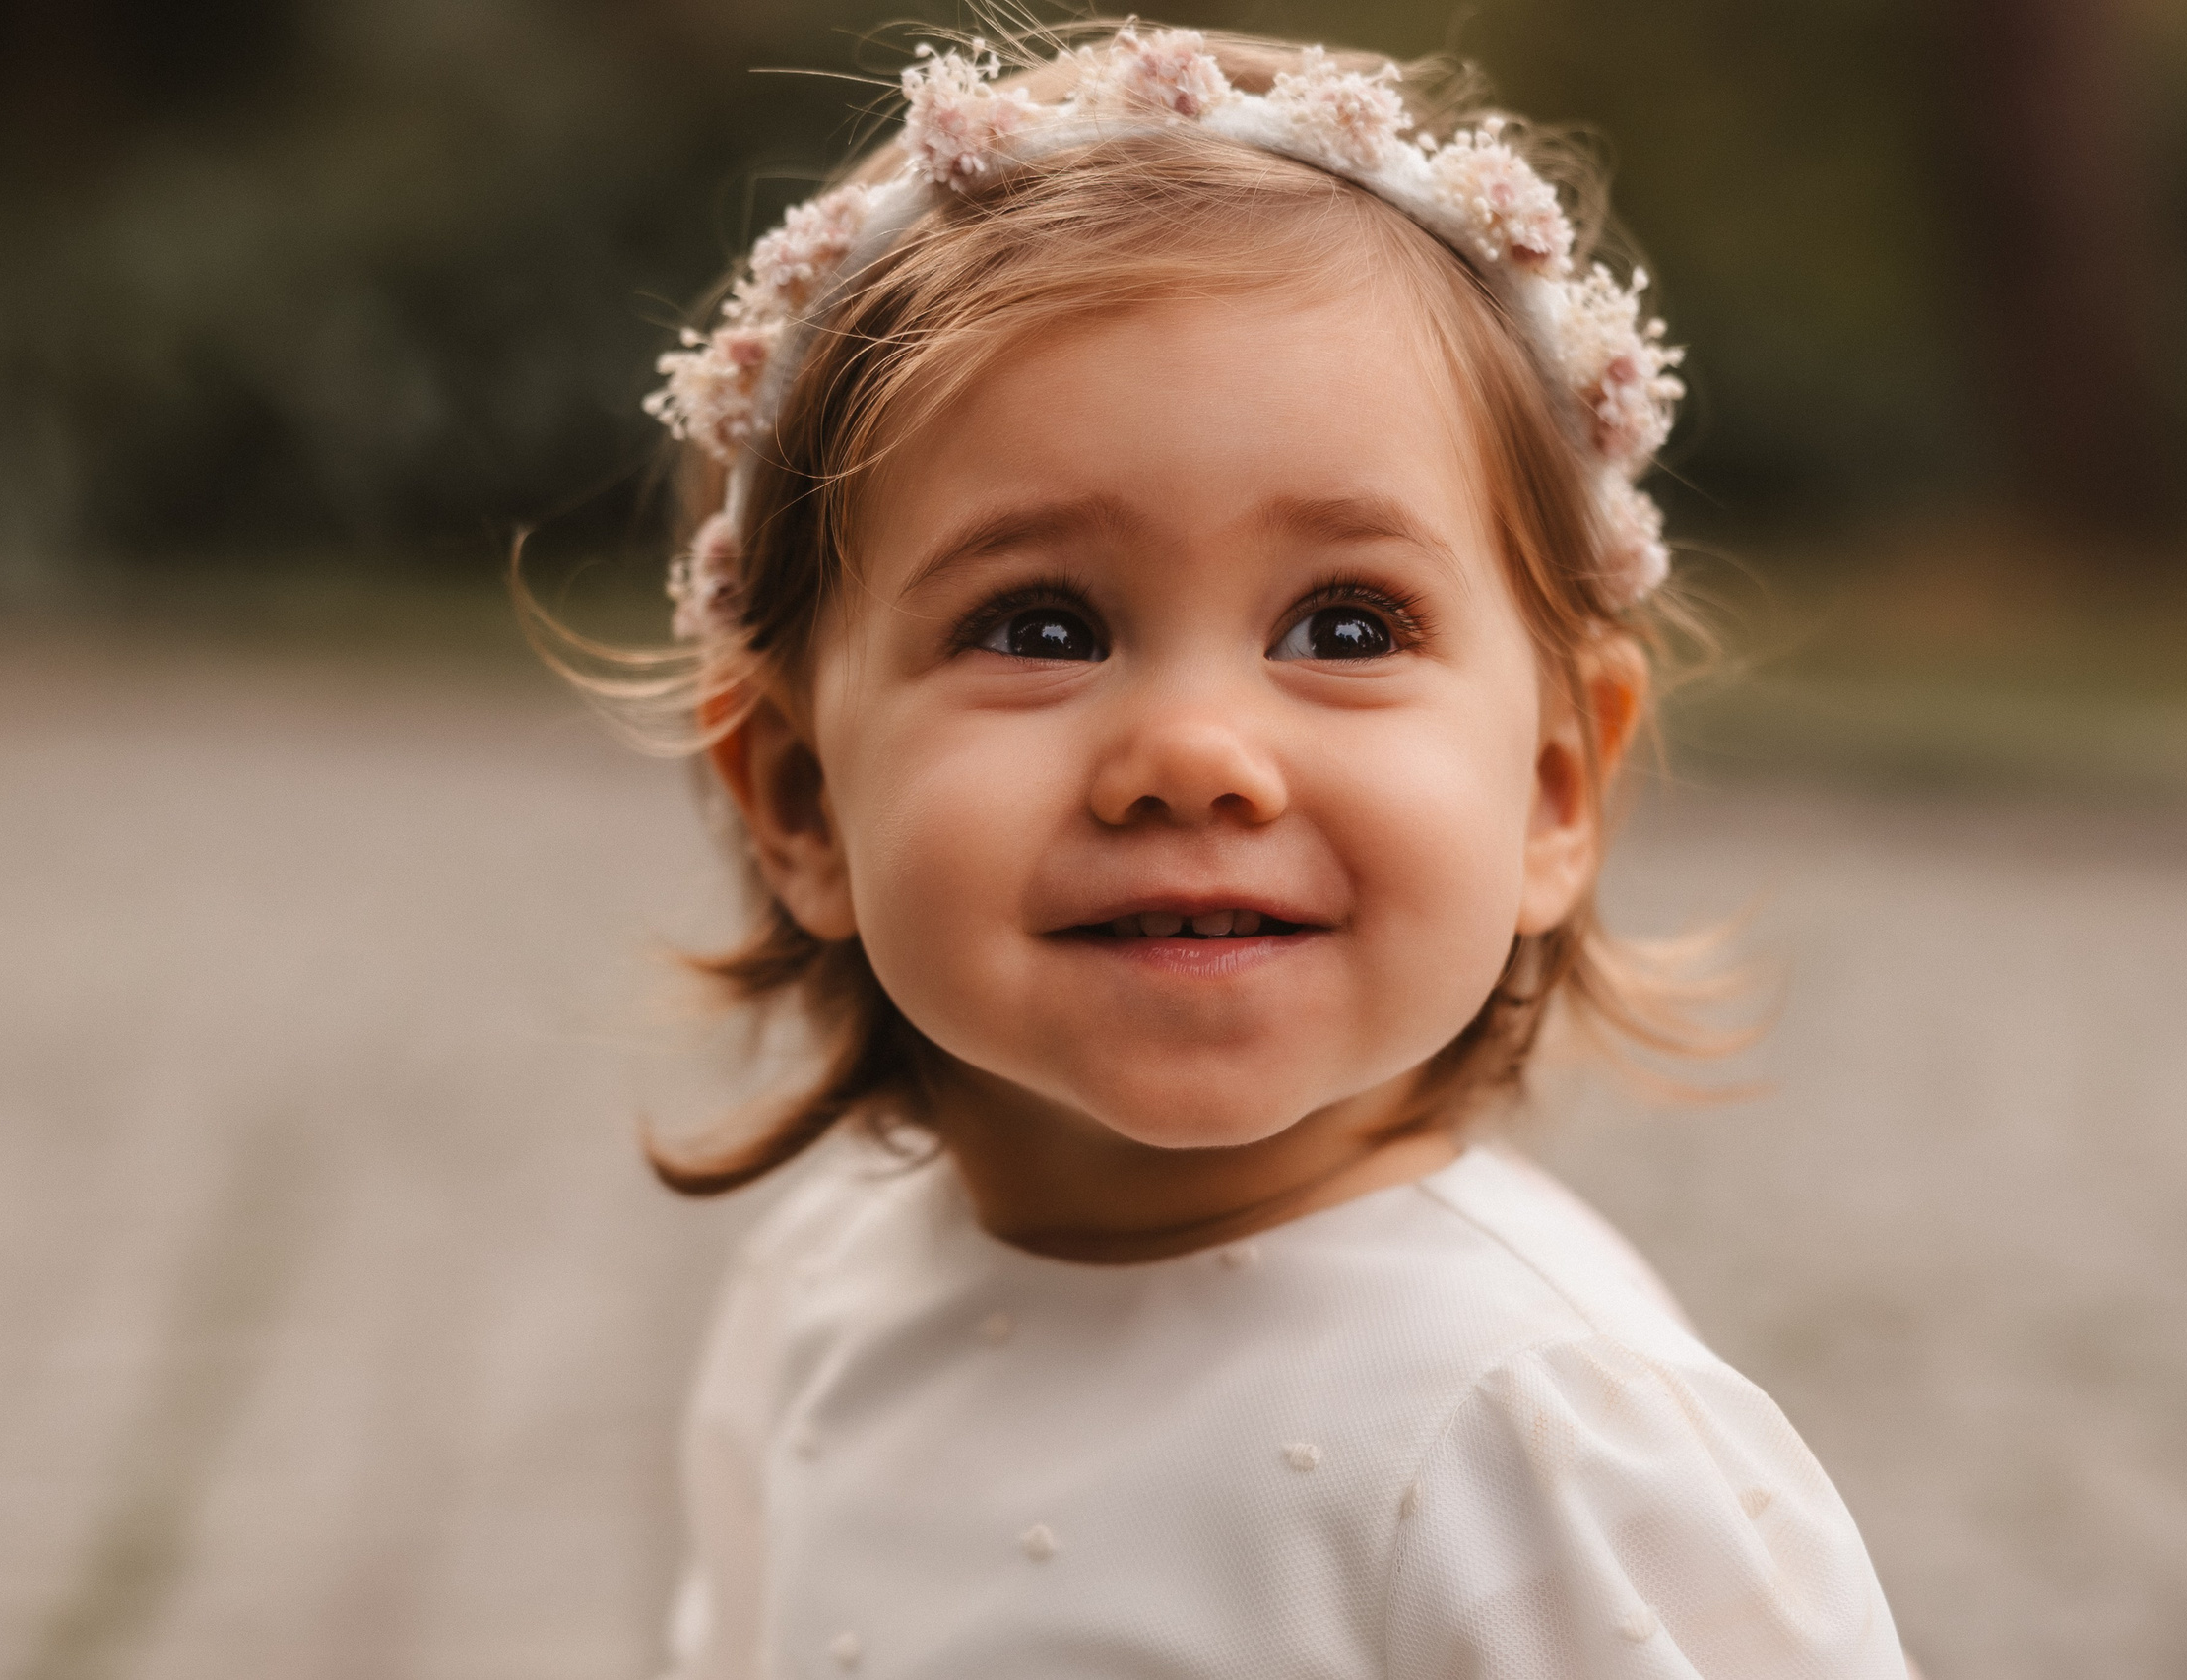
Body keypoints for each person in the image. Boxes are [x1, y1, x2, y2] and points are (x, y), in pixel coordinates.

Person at [564, 22, 1910, 1677]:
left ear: (1557, 786)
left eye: (1344, 623)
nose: (1195, 756)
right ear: (799, 797)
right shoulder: (823, 1294)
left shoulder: (1526, 1425)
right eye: (1041, 622)